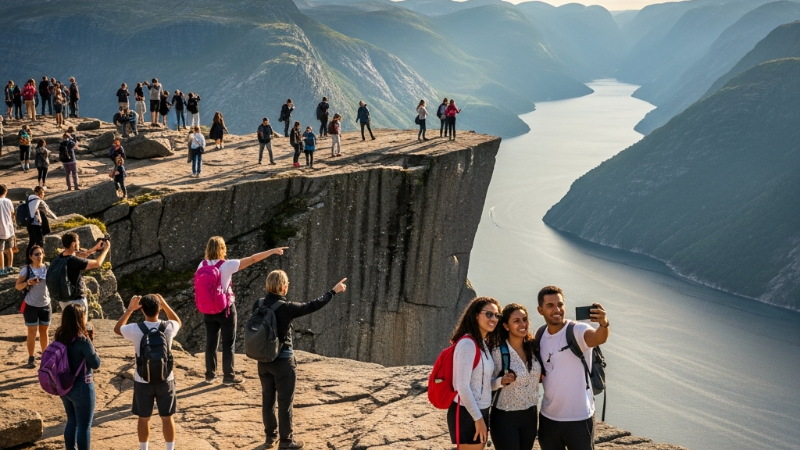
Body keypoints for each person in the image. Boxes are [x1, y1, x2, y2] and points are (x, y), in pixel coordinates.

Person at [256, 270, 347, 449]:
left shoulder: (258, 304)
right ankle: (286, 441)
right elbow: (312, 305)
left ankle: (269, 437)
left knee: (268, 398)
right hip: (283, 361)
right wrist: (333, 291)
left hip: (263, 360)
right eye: (287, 284)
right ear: (283, 286)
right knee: (284, 401)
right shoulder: (286, 307)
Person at [198, 237, 287, 385]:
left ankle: (209, 375)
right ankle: (228, 377)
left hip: (208, 309)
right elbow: (252, 259)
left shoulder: (202, 264)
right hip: (225, 309)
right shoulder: (226, 265)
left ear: (207, 249)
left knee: (211, 342)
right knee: (228, 343)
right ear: (222, 249)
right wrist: (271, 251)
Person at [535, 286, 609, 450]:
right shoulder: (540, 334)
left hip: (580, 419)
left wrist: (603, 324)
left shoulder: (577, 330)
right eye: (550, 306)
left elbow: (598, 338)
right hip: (548, 418)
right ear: (540, 310)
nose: (557, 310)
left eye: (560, 304)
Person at [114, 294, 182, 450]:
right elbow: (178, 322)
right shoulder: (169, 327)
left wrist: (130, 310)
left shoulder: (135, 329)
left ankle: (144, 448)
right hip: (166, 379)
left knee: (144, 418)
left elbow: (117, 329)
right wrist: (164, 304)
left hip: (142, 379)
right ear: (159, 309)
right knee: (167, 417)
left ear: (142, 310)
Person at [448, 297, 501, 450]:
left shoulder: (482, 343)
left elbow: (480, 383)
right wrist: (478, 419)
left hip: (480, 410)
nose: (494, 319)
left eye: (497, 315)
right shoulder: (467, 344)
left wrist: (500, 382)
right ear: (476, 315)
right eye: (489, 314)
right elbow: (462, 386)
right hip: (467, 412)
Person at [488, 303, 542, 450]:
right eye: (516, 321)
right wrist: (501, 381)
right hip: (505, 417)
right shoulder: (498, 352)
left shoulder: (534, 348)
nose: (522, 324)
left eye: (525, 319)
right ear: (506, 326)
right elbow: (485, 385)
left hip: (530, 415)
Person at [54, 303, 101, 450]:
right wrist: (91, 341)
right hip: (82, 386)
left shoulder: (59, 335)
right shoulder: (83, 340)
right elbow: (95, 363)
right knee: (84, 426)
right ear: (80, 319)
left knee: (71, 421)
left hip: (64, 385)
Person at [49, 231, 110, 314]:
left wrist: (94, 249)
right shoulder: (74, 261)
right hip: (76, 301)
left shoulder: (60, 257)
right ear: (74, 244)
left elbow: (80, 255)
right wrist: (106, 250)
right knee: (80, 324)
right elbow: (97, 263)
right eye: (78, 241)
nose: (79, 243)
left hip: (63, 300)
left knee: (69, 323)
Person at [15, 244, 51, 368]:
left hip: (45, 304)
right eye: (36, 254)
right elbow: (17, 286)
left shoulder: (47, 268)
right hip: (31, 305)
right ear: (31, 256)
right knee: (32, 332)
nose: (39, 256)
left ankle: (45, 357)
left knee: (44, 332)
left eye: (40, 254)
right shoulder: (26, 269)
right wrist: (28, 282)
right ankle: (31, 357)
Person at [26, 186, 56, 252]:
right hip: (36, 223)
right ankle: (39, 256)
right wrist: (56, 218)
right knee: (39, 242)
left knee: (32, 242)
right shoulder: (38, 201)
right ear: (41, 193)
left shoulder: (29, 199)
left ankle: (28, 259)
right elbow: (47, 211)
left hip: (29, 223)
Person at [0, 184, 15, 276]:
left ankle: (1, 268)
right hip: (9, 229)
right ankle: (10, 266)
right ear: (5, 192)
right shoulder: (9, 201)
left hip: (0, 230)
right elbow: (12, 213)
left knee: (0, 250)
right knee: (9, 249)